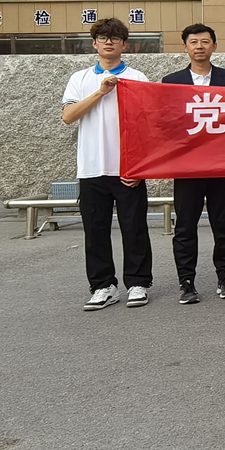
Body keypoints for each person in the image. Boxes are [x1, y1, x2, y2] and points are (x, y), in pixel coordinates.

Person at [61, 17, 153, 311]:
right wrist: (101, 91)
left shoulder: (138, 78)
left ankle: (138, 283)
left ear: (125, 45)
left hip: (127, 168)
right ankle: (103, 286)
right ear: (94, 44)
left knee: (134, 228)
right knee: (95, 231)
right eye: (103, 37)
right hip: (91, 168)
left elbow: (147, 126)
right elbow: (68, 116)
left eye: (115, 38)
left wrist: (139, 167)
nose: (109, 42)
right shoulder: (80, 78)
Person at [162, 23, 225, 304]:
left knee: (224, 224)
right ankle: (186, 282)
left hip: (221, 164)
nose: (199, 46)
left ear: (214, 46)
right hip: (187, 167)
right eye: (194, 42)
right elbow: (166, 122)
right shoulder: (171, 82)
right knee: (185, 225)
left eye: (205, 41)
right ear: (185, 47)